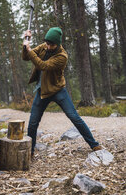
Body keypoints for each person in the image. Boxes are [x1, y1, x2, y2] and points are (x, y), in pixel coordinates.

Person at [22, 27, 102, 156]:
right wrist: (25, 43)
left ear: (57, 44)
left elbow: (44, 66)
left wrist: (29, 49)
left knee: (74, 118)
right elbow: (26, 57)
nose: (48, 47)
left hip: (58, 90)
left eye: (51, 45)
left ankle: (94, 144)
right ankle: (29, 153)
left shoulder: (62, 56)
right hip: (42, 91)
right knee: (32, 124)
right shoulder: (44, 46)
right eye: (47, 43)